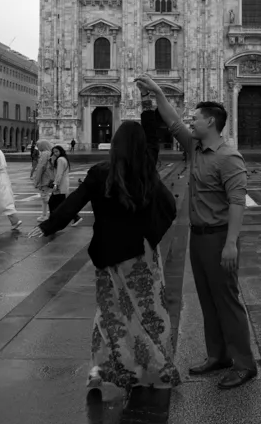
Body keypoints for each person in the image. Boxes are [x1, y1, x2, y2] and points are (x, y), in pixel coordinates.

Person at [29, 121, 180, 396]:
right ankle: (153, 368)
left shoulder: (100, 173)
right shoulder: (146, 173)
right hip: (140, 254)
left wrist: (47, 226)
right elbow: (170, 206)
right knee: (147, 312)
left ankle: (100, 369)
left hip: (107, 254)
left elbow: (73, 202)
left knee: (109, 312)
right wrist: (152, 234)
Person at [136, 74, 256, 390]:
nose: (191, 121)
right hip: (199, 236)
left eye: (197, 118)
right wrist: (158, 93)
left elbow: (237, 201)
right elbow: (174, 122)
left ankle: (245, 364)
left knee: (227, 301)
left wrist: (231, 243)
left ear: (212, 122)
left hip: (219, 238)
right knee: (207, 299)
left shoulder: (229, 157)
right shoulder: (196, 149)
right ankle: (218, 355)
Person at [47, 144, 84, 226]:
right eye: (53, 152)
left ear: (60, 151)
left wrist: (55, 184)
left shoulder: (60, 160)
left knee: (52, 203)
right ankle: (75, 217)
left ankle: (53, 221)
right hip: (63, 184)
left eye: (56, 151)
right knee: (61, 204)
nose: (55, 153)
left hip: (60, 185)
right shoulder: (64, 159)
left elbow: (59, 173)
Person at [31, 139, 56, 221]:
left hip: (44, 178)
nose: (37, 147)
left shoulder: (44, 154)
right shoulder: (51, 153)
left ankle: (44, 215)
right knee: (47, 197)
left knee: (44, 197)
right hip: (50, 177)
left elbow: (40, 168)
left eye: (38, 145)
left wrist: (36, 180)